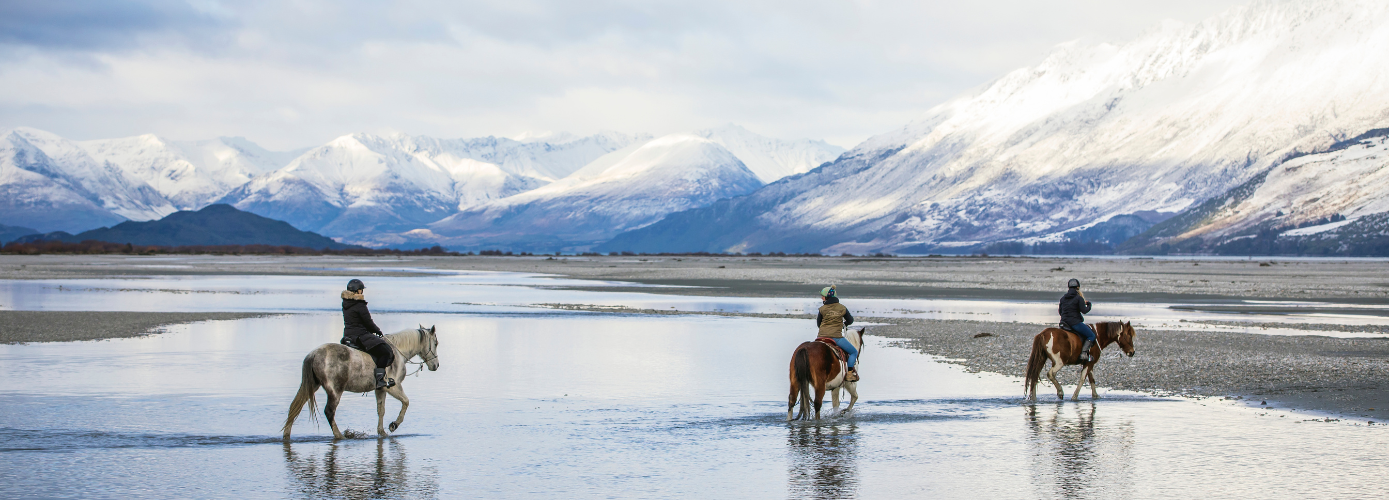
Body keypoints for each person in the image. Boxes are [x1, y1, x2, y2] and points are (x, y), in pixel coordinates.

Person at [342, 279, 394, 389]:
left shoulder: (346, 303)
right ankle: (380, 380)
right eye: (361, 290)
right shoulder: (360, 305)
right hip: (360, 336)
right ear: (358, 291)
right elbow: (368, 322)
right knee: (385, 352)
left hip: (348, 335)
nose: (362, 292)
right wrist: (378, 331)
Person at [816, 285, 859, 381]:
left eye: (822, 296)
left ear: (827, 297)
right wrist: (845, 324)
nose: (821, 297)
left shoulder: (822, 309)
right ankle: (849, 374)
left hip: (820, 337)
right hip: (836, 337)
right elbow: (850, 320)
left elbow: (819, 324)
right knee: (853, 352)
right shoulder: (842, 308)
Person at [1059, 278, 1096, 363]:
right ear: (1078, 287)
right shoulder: (1078, 298)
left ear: (1069, 287)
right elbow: (1084, 311)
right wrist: (1089, 305)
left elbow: (1060, 312)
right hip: (1075, 323)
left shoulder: (1063, 298)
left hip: (1063, 323)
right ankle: (1083, 354)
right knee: (1091, 336)